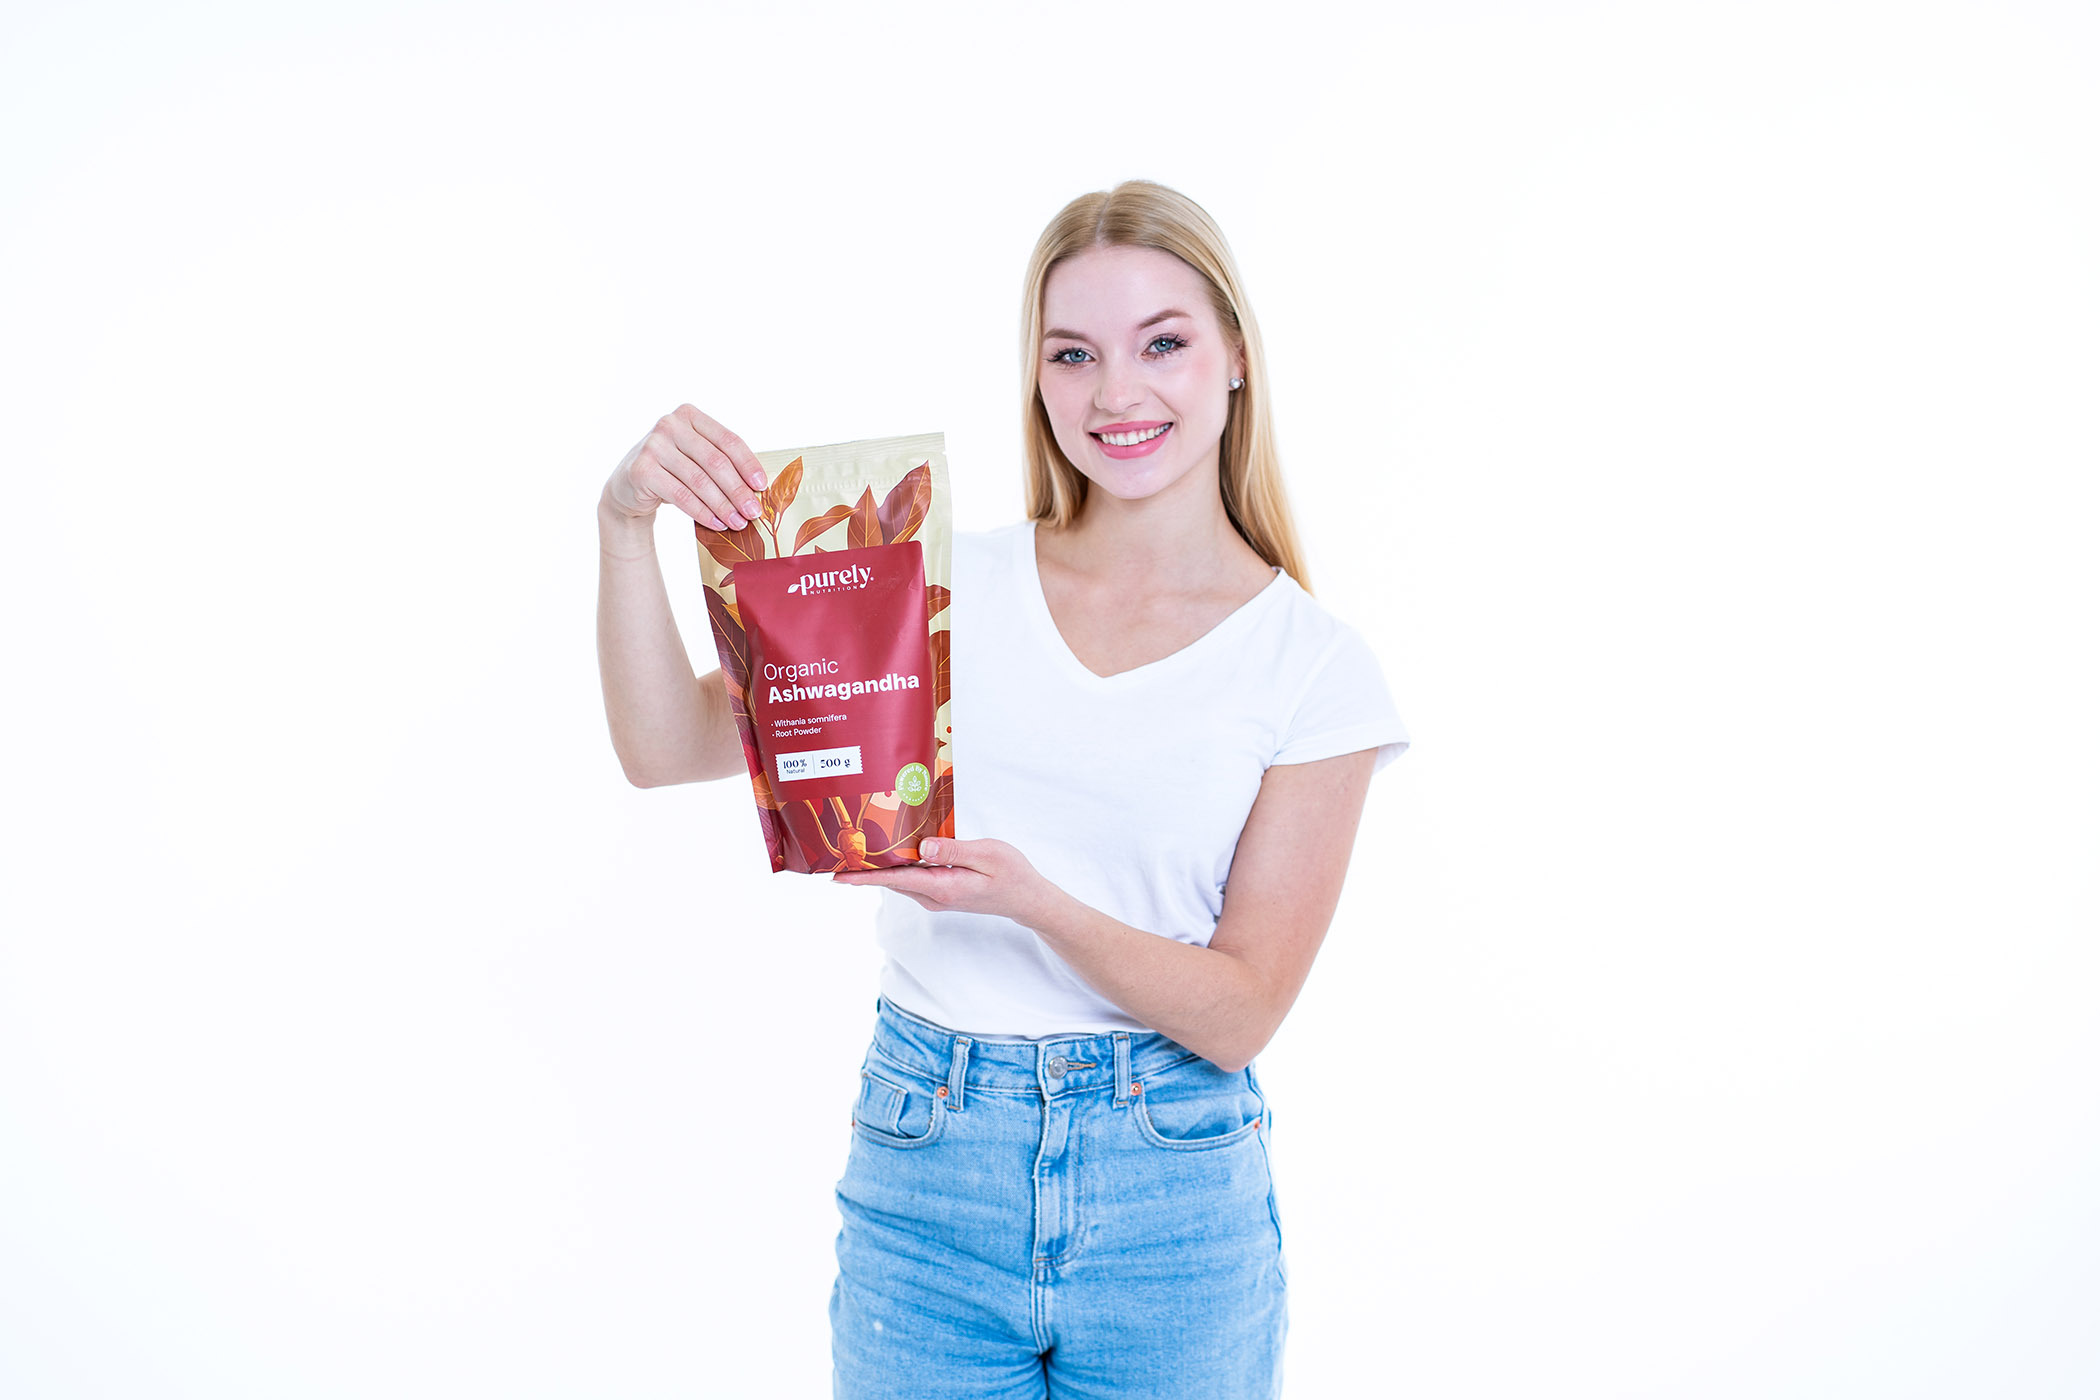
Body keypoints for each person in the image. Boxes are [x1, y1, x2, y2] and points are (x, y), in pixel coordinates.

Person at [595, 179, 1409, 1399]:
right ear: (1036, 376)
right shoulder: (940, 585)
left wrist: (1036, 904)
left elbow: (1241, 1012)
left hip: (1172, 1194)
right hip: (930, 1168)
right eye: (1073, 352)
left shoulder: (1312, 665)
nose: (1116, 393)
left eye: (1163, 343)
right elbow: (668, 746)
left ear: (1238, 355)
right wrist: (624, 527)